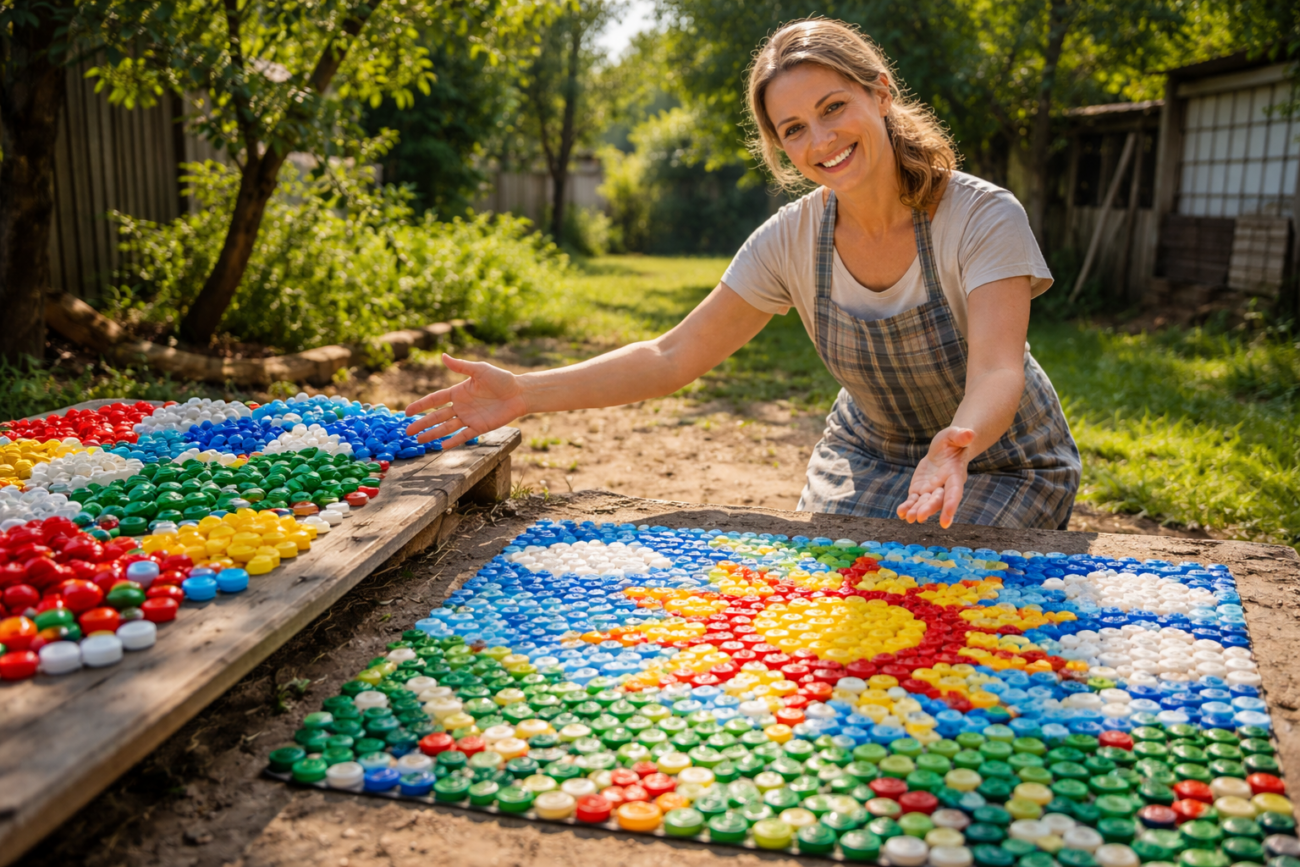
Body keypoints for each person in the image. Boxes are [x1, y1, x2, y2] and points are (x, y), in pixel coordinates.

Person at [405, 17, 1081, 530]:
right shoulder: (790, 241)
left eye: (833, 107)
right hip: (870, 456)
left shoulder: (982, 215)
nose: (819, 141)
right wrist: (524, 391)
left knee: (943, 589)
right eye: (792, 128)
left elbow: (997, 370)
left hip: (1000, 459)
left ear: (881, 93)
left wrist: (957, 445)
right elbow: (671, 355)